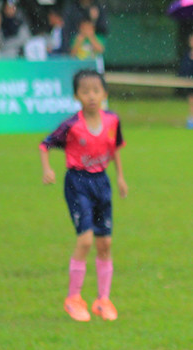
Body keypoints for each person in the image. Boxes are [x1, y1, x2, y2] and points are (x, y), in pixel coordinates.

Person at [39, 69, 128, 322]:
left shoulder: (112, 121)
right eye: (85, 91)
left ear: (104, 94)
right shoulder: (71, 125)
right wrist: (48, 169)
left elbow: (116, 148)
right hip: (78, 182)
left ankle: (103, 300)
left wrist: (120, 177)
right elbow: (45, 145)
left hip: (102, 181)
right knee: (86, 241)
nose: (91, 96)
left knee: (105, 243)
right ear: (77, 95)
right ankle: (73, 298)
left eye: (96, 91)